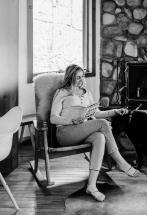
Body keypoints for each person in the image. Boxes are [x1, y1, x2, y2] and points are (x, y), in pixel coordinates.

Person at [50, 64, 140, 202]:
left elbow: (97, 114)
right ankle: (121, 162)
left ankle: (91, 185)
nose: (81, 80)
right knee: (103, 124)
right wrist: (71, 120)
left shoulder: (87, 93)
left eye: (82, 77)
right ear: (70, 78)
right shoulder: (62, 92)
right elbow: (53, 118)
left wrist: (115, 111)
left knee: (99, 137)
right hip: (65, 133)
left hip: (81, 130)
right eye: (77, 78)